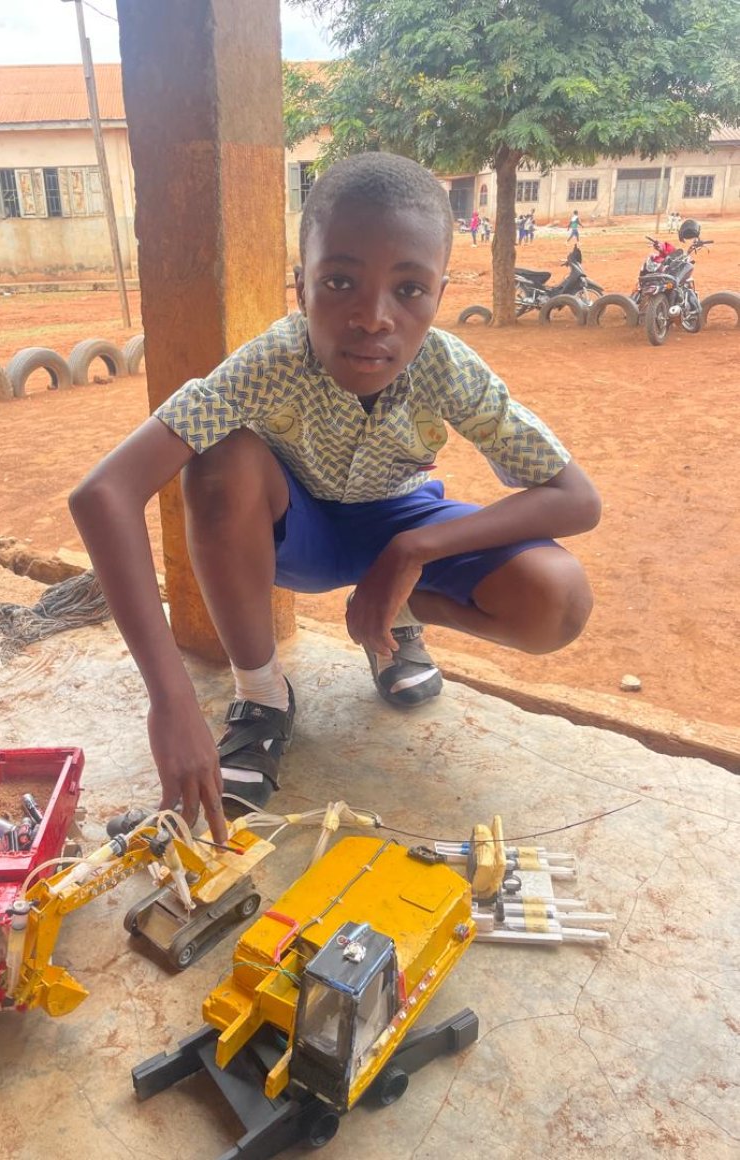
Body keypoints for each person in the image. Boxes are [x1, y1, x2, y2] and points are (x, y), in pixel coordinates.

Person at [69, 152, 601, 844]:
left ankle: (393, 613)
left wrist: (412, 551)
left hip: (405, 515)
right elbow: (103, 493)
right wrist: (171, 702)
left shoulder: (448, 369)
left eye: (409, 290)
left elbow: (576, 498)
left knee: (558, 599)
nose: (373, 317)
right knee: (219, 463)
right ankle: (262, 696)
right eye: (341, 281)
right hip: (300, 530)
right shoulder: (273, 362)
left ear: (439, 295)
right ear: (302, 288)